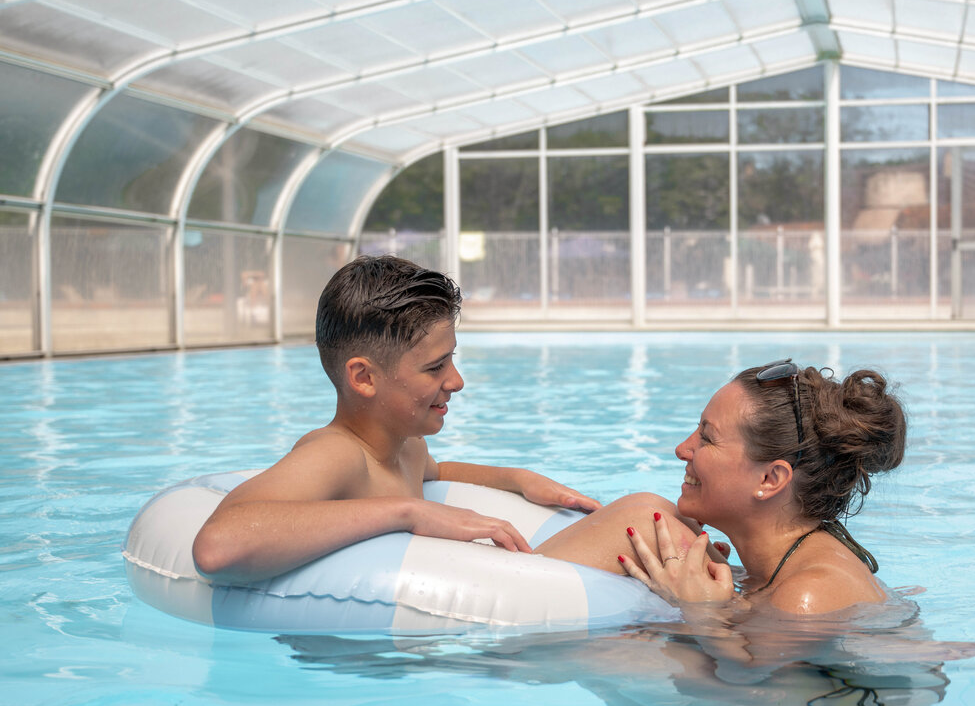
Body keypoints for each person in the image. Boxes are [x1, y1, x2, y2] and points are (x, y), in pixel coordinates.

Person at [192, 255, 600, 582]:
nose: (456, 381)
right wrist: (409, 511)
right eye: (435, 367)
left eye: (451, 359)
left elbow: (440, 471)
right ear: (364, 378)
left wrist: (518, 479)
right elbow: (216, 546)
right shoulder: (336, 454)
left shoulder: (407, 448)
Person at [537, 360, 906, 616]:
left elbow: (762, 696)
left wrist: (700, 613)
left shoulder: (806, 596)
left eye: (707, 438)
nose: (682, 449)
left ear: (770, 480)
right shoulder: (778, 571)